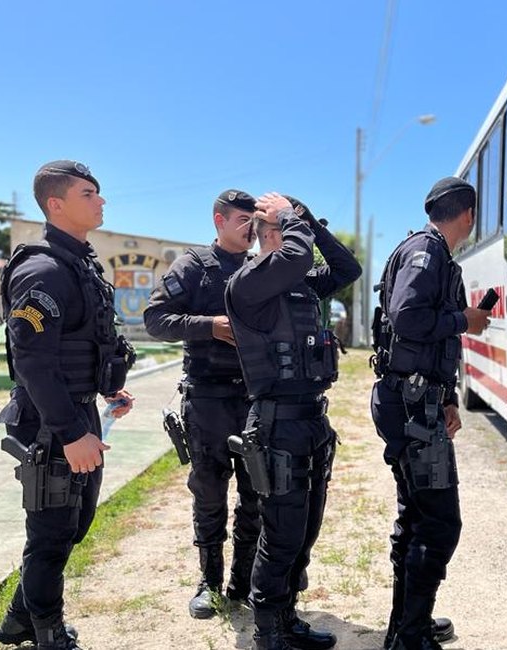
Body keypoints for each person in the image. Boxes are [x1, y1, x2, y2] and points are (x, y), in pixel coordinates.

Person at [0, 160, 136, 650]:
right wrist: (71, 433)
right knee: (52, 535)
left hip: (77, 413)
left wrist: (107, 389)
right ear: (56, 205)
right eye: (88, 193)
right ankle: (48, 635)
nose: (101, 201)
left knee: (73, 526)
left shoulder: (80, 264)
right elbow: (33, 363)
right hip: (50, 424)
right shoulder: (42, 268)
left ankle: (17, 621)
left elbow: (84, 342)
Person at [225, 192, 361, 650]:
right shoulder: (248, 284)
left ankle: (287, 618)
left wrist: (308, 222)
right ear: (269, 239)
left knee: (306, 528)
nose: (302, 243)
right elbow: (296, 254)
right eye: (290, 234)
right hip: (277, 424)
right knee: (281, 532)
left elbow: (348, 270)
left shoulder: (300, 284)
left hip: (311, 422)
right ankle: (267, 631)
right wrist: (285, 216)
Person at [370, 177, 491, 650]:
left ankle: (404, 627)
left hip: (419, 402)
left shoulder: (435, 254)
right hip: (408, 406)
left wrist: (449, 398)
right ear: (469, 215)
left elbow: (431, 341)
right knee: (440, 523)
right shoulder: (426, 251)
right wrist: (468, 319)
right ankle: (411, 634)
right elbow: (408, 318)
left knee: (418, 518)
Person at [143, 189, 263, 618]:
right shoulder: (194, 266)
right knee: (209, 492)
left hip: (252, 399)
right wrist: (208, 326)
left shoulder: (258, 268)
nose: (251, 230)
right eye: (242, 222)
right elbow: (155, 320)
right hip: (208, 398)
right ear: (219, 221)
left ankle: (242, 582)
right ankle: (209, 581)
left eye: (255, 222)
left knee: (256, 492)